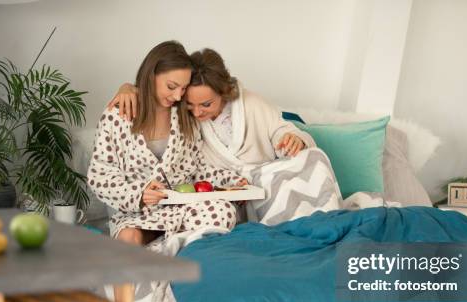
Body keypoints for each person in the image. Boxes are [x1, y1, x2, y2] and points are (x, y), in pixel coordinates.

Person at [88, 41, 244, 247]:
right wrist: (139, 194)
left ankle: (173, 246)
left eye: (183, 88)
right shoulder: (118, 115)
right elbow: (100, 177)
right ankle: (174, 246)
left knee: (223, 212)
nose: (178, 96)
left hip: (183, 208)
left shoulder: (184, 116)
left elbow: (196, 169)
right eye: (171, 86)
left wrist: (230, 181)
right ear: (151, 75)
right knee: (128, 239)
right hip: (138, 214)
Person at [108, 48, 316, 170]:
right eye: (190, 104)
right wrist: (129, 88)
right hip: (229, 193)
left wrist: (292, 138)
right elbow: (156, 94)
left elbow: (279, 129)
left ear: (224, 91)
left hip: (267, 178)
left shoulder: (252, 104)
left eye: (206, 104)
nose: (197, 113)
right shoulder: (181, 115)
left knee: (314, 160)